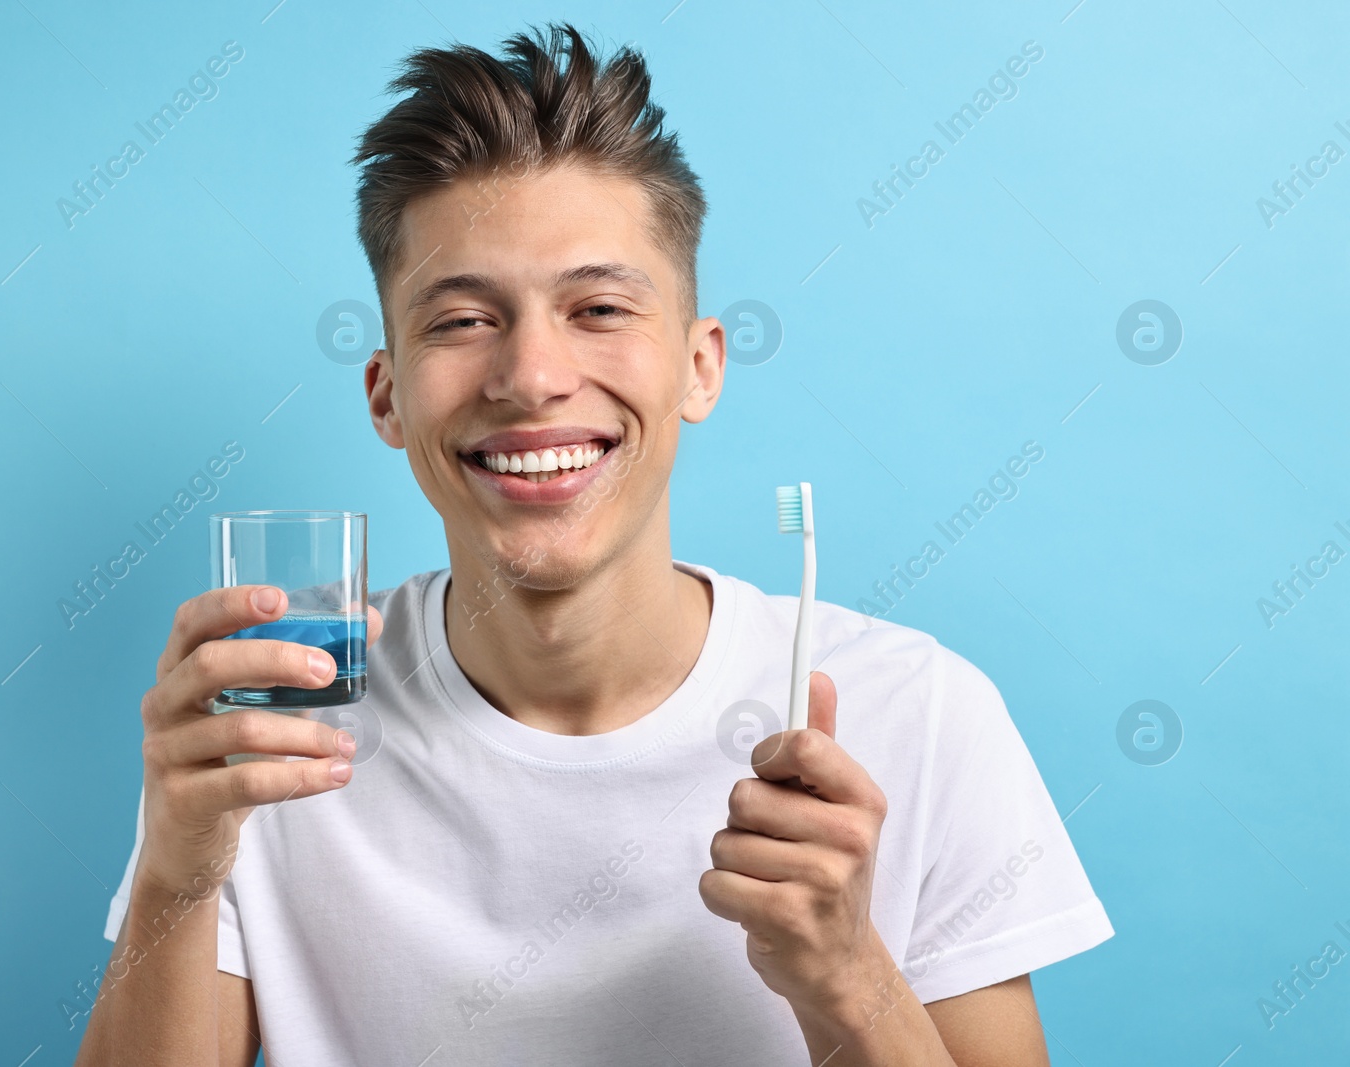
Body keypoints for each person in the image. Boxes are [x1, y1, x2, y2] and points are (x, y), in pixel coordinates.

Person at [75, 22, 1111, 1066]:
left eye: (599, 306)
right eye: (463, 319)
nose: (531, 375)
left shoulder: (918, 712)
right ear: (387, 397)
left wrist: (849, 977)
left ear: (700, 367)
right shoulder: (283, 725)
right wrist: (179, 868)